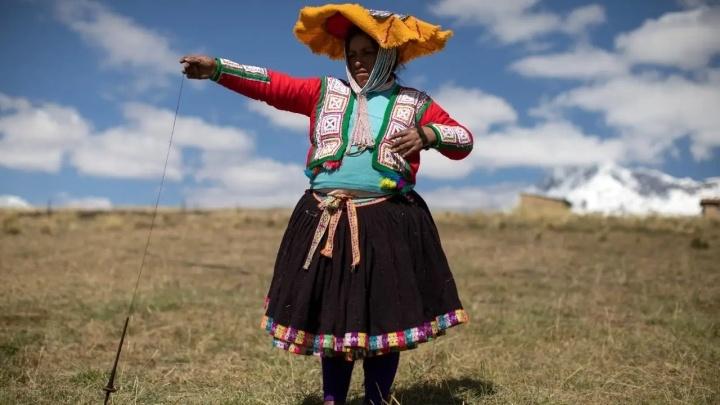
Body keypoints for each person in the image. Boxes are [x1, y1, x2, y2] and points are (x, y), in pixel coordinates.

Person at [181, 4, 473, 404]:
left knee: (380, 318)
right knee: (334, 318)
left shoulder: (415, 103)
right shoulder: (324, 92)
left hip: (388, 221)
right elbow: (271, 83)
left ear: (389, 54)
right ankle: (332, 399)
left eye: (368, 53)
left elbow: (464, 140)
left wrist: (428, 134)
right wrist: (217, 68)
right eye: (352, 55)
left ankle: (377, 399)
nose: (359, 62)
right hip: (324, 217)